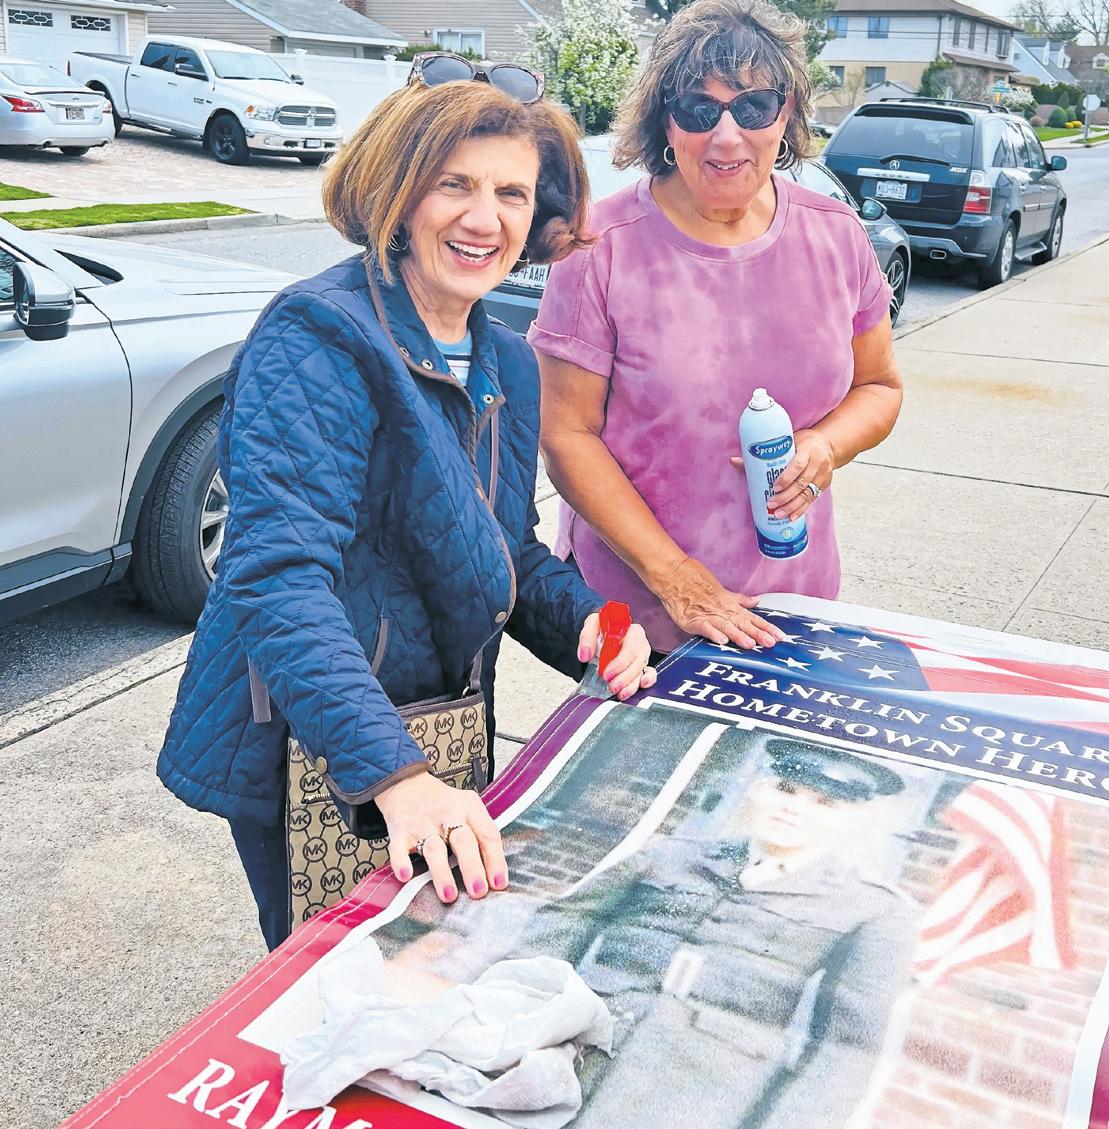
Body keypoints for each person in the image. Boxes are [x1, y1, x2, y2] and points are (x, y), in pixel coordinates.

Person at [156, 63, 655, 951]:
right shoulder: (317, 335)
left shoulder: (509, 359)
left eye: (511, 193)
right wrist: (398, 777)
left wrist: (594, 623)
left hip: (437, 731)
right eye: (453, 184)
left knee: (435, 966)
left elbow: (507, 547)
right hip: (315, 737)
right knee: (343, 978)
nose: (484, 218)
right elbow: (280, 578)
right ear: (398, 189)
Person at [529, 0, 904, 657]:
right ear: (665, 120)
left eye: (753, 107)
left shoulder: (837, 235)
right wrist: (675, 577)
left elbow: (879, 387)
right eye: (699, 111)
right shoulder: (599, 247)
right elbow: (566, 435)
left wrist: (826, 445)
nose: (727, 138)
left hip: (794, 608)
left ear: (786, 113)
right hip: (638, 625)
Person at [375, 732, 916, 1127]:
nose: (794, 810)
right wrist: (508, 1018)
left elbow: (849, 1047)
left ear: (850, 820)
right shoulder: (673, 855)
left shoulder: (869, 909)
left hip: (706, 1090)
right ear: (758, 789)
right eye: (787, 789)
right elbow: (565, 923)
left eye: (824, 803)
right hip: (583, 1048)